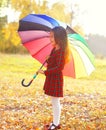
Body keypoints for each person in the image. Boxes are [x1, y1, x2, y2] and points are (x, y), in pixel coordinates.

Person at [37, 26, 70, 130]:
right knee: (54, 101)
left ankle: (56, 124)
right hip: (52, 78)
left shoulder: (61, 52)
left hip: (55, 79)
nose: (50, 39)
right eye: (50, 36)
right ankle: (55, 121)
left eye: (52, 37)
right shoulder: (54, 49)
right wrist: (48, 59)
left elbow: (58, 68)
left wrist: (45, 72)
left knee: (55, 102)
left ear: (59, 38)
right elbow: (52, 64)